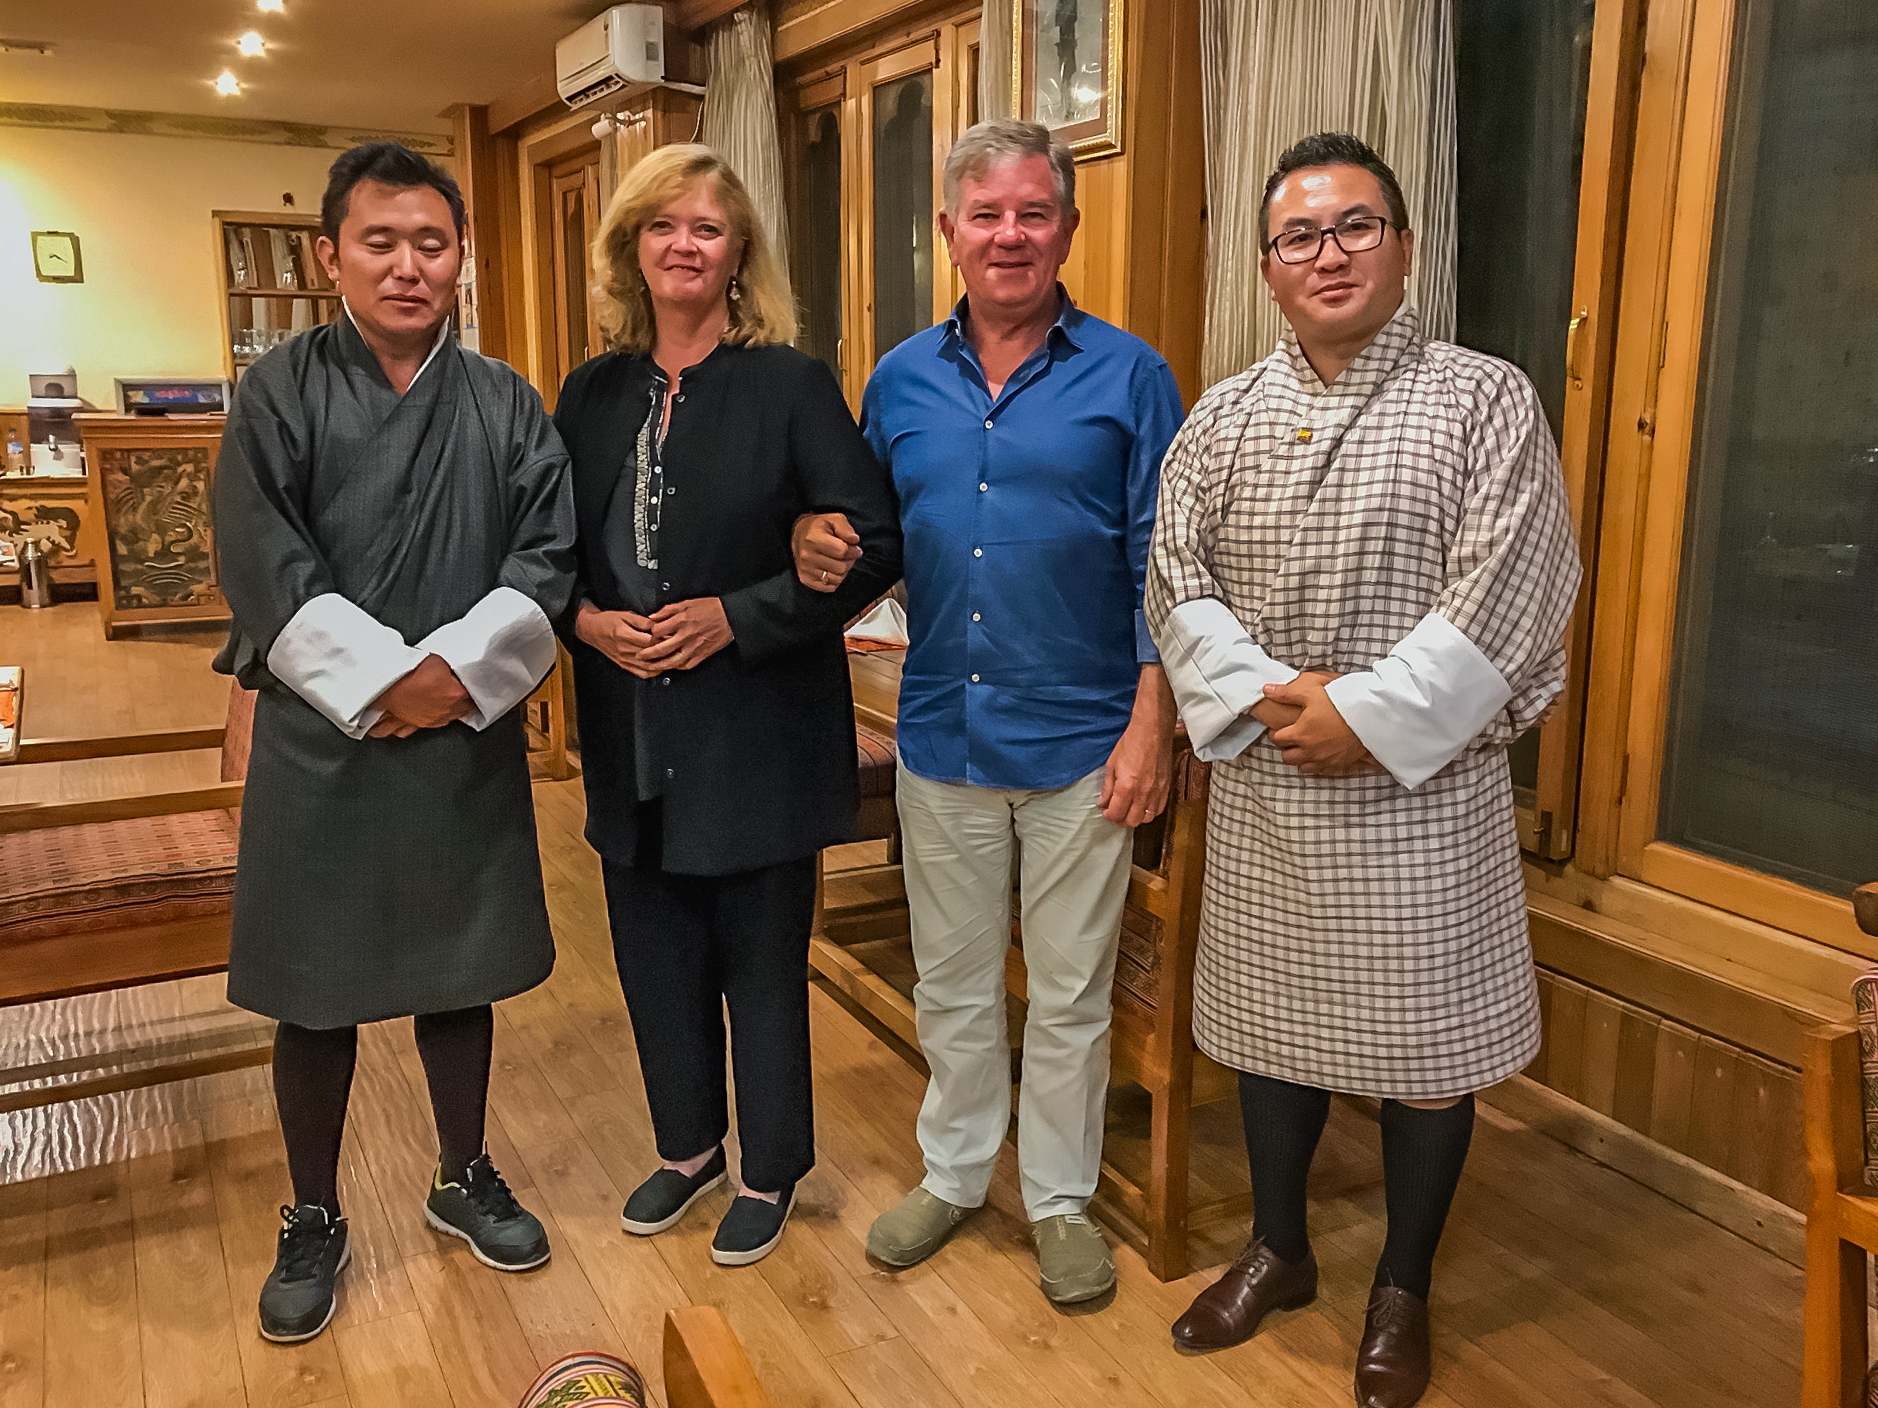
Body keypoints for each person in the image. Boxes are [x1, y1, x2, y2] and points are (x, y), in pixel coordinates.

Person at [1145, 132, 1581, 1407]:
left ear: (1402, 245)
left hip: (1423, 794)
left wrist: (1373, 714)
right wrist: (1293, 709)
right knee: (1271, 1038)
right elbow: (1177, 581)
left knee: (1425, 1053)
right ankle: (1279, 1248)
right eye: (1300, 235)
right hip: (1277, 782)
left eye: (1354, 227)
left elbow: (1512, 589)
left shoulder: (1484, 398)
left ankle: (1403, 1281)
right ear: (1268, 266)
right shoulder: (1222, 418)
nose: (1327, 253)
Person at [794, 118, 1182, 1305]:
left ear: (1066, 227)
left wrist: (1151, 721)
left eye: (1033, 212)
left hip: (1085, 743)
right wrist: (818, 545)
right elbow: (875, 539)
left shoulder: (1132, 375)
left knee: (1069, 991)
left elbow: (1163, 565)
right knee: (953, 981)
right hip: (943, 737)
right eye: (986, 214)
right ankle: (957, 1173)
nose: (1009, 234)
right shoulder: (902, 377)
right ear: (949, 232)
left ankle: (1060, 1197)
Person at [213, 142, 576, 1343]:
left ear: (461, 256)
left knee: (454, 968)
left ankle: (462, 1172)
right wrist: (383, 682)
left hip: (456, 731)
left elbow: (546, 556)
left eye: (432, 243)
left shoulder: (505, 399)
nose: (409, 266)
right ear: (331, 255)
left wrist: (450, 678)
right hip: (325, 737)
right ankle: (313, 1209)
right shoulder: (279, 394)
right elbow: (264, 558)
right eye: (381, 241)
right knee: (313, 991)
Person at [552, 145, 901, 1268]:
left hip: (755, 732)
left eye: (706, 226)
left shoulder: (788, 384)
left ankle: (770, 1169)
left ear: (739, 251)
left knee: (758, 966)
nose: (684, 245)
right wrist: (582, 622)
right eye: (661, 226)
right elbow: (547, 551)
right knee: (655, 958)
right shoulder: (593, 392)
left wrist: (738, 615)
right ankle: (690, 1148)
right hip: (630, 730)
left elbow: (871, 542)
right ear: (630, 250)